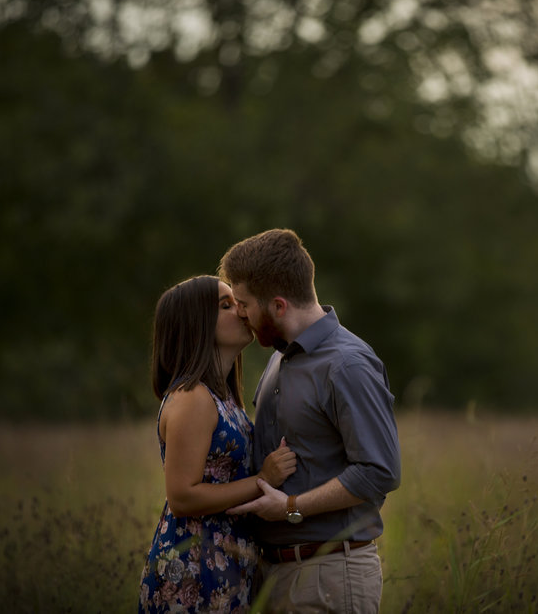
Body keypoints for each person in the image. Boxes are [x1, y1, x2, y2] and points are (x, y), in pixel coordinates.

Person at [219, 229, 401, 613]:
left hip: (329, 574)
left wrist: (291, 506)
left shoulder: (347, 364)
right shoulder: (278, 358)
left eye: (245, 304)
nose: (240, 313)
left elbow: (379, 470)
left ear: (279, 306)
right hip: (275, 575)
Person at [139, 275, 297, 613]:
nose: (241, 311)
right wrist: (262, 481)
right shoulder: (193, 398)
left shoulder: (221, 397)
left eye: (237, 302)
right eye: (225, 306)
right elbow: (181, 497)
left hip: (225, 562)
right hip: (195, 568)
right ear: (195, 326)